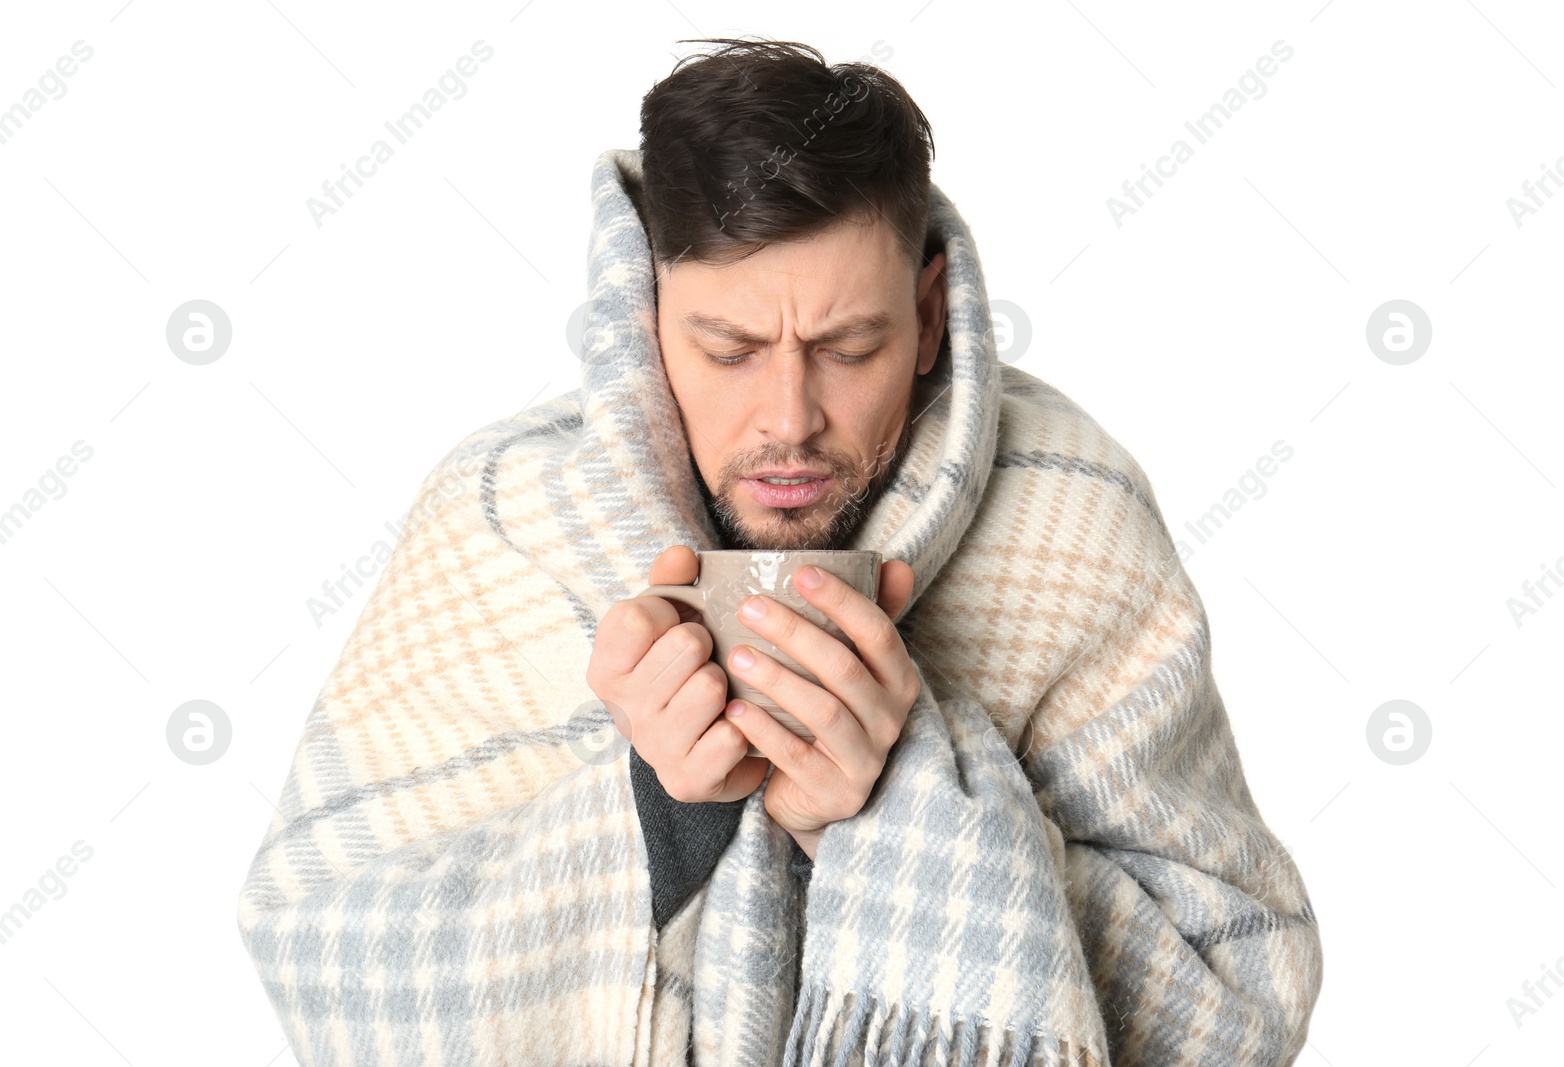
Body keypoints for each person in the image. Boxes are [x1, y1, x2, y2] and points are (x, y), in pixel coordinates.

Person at [237, 37, 1322, 1066]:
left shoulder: (1072, 516)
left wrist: (893, 802)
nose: (790, 418)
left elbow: (1240, 987)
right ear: (645, 319)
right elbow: (320, 947)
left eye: (850, 347)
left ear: (931, 316)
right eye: (730, 349)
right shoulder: (507, 513)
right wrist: (664, 813)